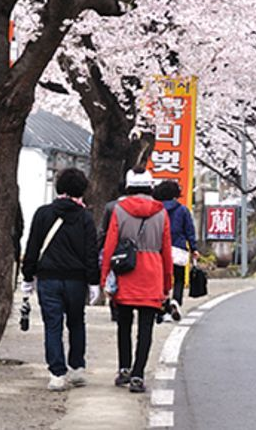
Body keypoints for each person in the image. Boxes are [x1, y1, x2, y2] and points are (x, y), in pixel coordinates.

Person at [21, 167, 99, 391]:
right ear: (81, 190)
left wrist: (28, 277)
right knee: (76, 322)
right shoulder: (85, 217)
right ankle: (77, 368)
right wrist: (94, 282)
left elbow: (33, 246)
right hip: (76, 281)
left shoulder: (43, 214)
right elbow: (90, 252)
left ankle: (57, 374)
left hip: (48, 279)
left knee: (52, 325)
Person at [100, 168, 173, 394]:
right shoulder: (161, 212)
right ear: (151, 187)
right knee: (146, 328)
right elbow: (167, 251)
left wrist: (105, 278)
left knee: (124, 324)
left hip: (126, 273)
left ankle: (124, 368)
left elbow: (110, 246)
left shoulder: (119, 210)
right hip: (152, 273)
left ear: (129, 187)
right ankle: (138, 375)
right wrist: (167, 283)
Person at [153, 180, 197, 306]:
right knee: (179, 278)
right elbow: (189, 230)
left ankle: (163, 303)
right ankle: (176, 301)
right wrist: (194, 248)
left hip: (159, 248)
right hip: (178, 247)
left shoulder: (156, 210)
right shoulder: (183, 210)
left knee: (161, 278)